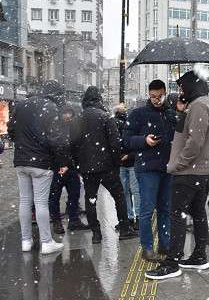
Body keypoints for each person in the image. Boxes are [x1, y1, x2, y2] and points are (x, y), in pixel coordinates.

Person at [145, 71, 209, 280]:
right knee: (198, 213)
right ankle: (198, 256)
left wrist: (179, 164)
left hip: (189, 172)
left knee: (176, 215)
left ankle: (172, 262)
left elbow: (194, 141)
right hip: (200, 170)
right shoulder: (203, 103)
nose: (181, 91)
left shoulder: (199, 105)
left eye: (183, 87)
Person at [8, 80, 69, 254]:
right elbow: (56, 139)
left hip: (21, 161)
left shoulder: (21, 105)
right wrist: (62, 163)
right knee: (41, 202)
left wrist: (23, 145)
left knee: (25, 201)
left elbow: (11, 130)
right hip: (41, 162)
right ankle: (46, 241)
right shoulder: (50, 108)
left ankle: (26, 240)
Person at [70, 86, 138, 243]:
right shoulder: (106, 117)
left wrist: (78, 165)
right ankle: (124, 228)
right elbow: (115, 144)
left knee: (90, 199)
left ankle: (96, 233)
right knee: (119, 196)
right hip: (106, 166)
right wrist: (115, 164)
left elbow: (72, 145)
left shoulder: (78, 119)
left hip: (87, 168)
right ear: (99, 99)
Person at [124, 80, 177, 261]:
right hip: (147, 168)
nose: (156, 100)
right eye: (153, 96)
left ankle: (165, 243)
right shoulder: (138, 113)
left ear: (165, 93)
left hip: (167, 167)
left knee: (165, 208)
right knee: (147, 209)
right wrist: (144, 141)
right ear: (149, 94)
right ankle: (147, 247)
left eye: (160, 96)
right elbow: (126, 140)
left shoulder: (170, 114)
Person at [48, 105, 88, 234]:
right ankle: (57, 222)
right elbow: (55, 146)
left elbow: (76, 146)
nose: (68, 116)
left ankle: (73, 220)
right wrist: (62, 164)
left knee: (74, 194)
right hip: (59, 168)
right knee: (55, 195)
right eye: (66, 113)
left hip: (70, 168)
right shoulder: (56, 127)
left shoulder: (72, 127)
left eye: (70, 113)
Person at [113, 103, 140, 229]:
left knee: (126, 192)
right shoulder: (131, 124)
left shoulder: (114, 123)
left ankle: (130, 217)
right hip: (131, 162)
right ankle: (137, 218)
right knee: (134, 191)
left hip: (124, 162)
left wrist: (123, 156)